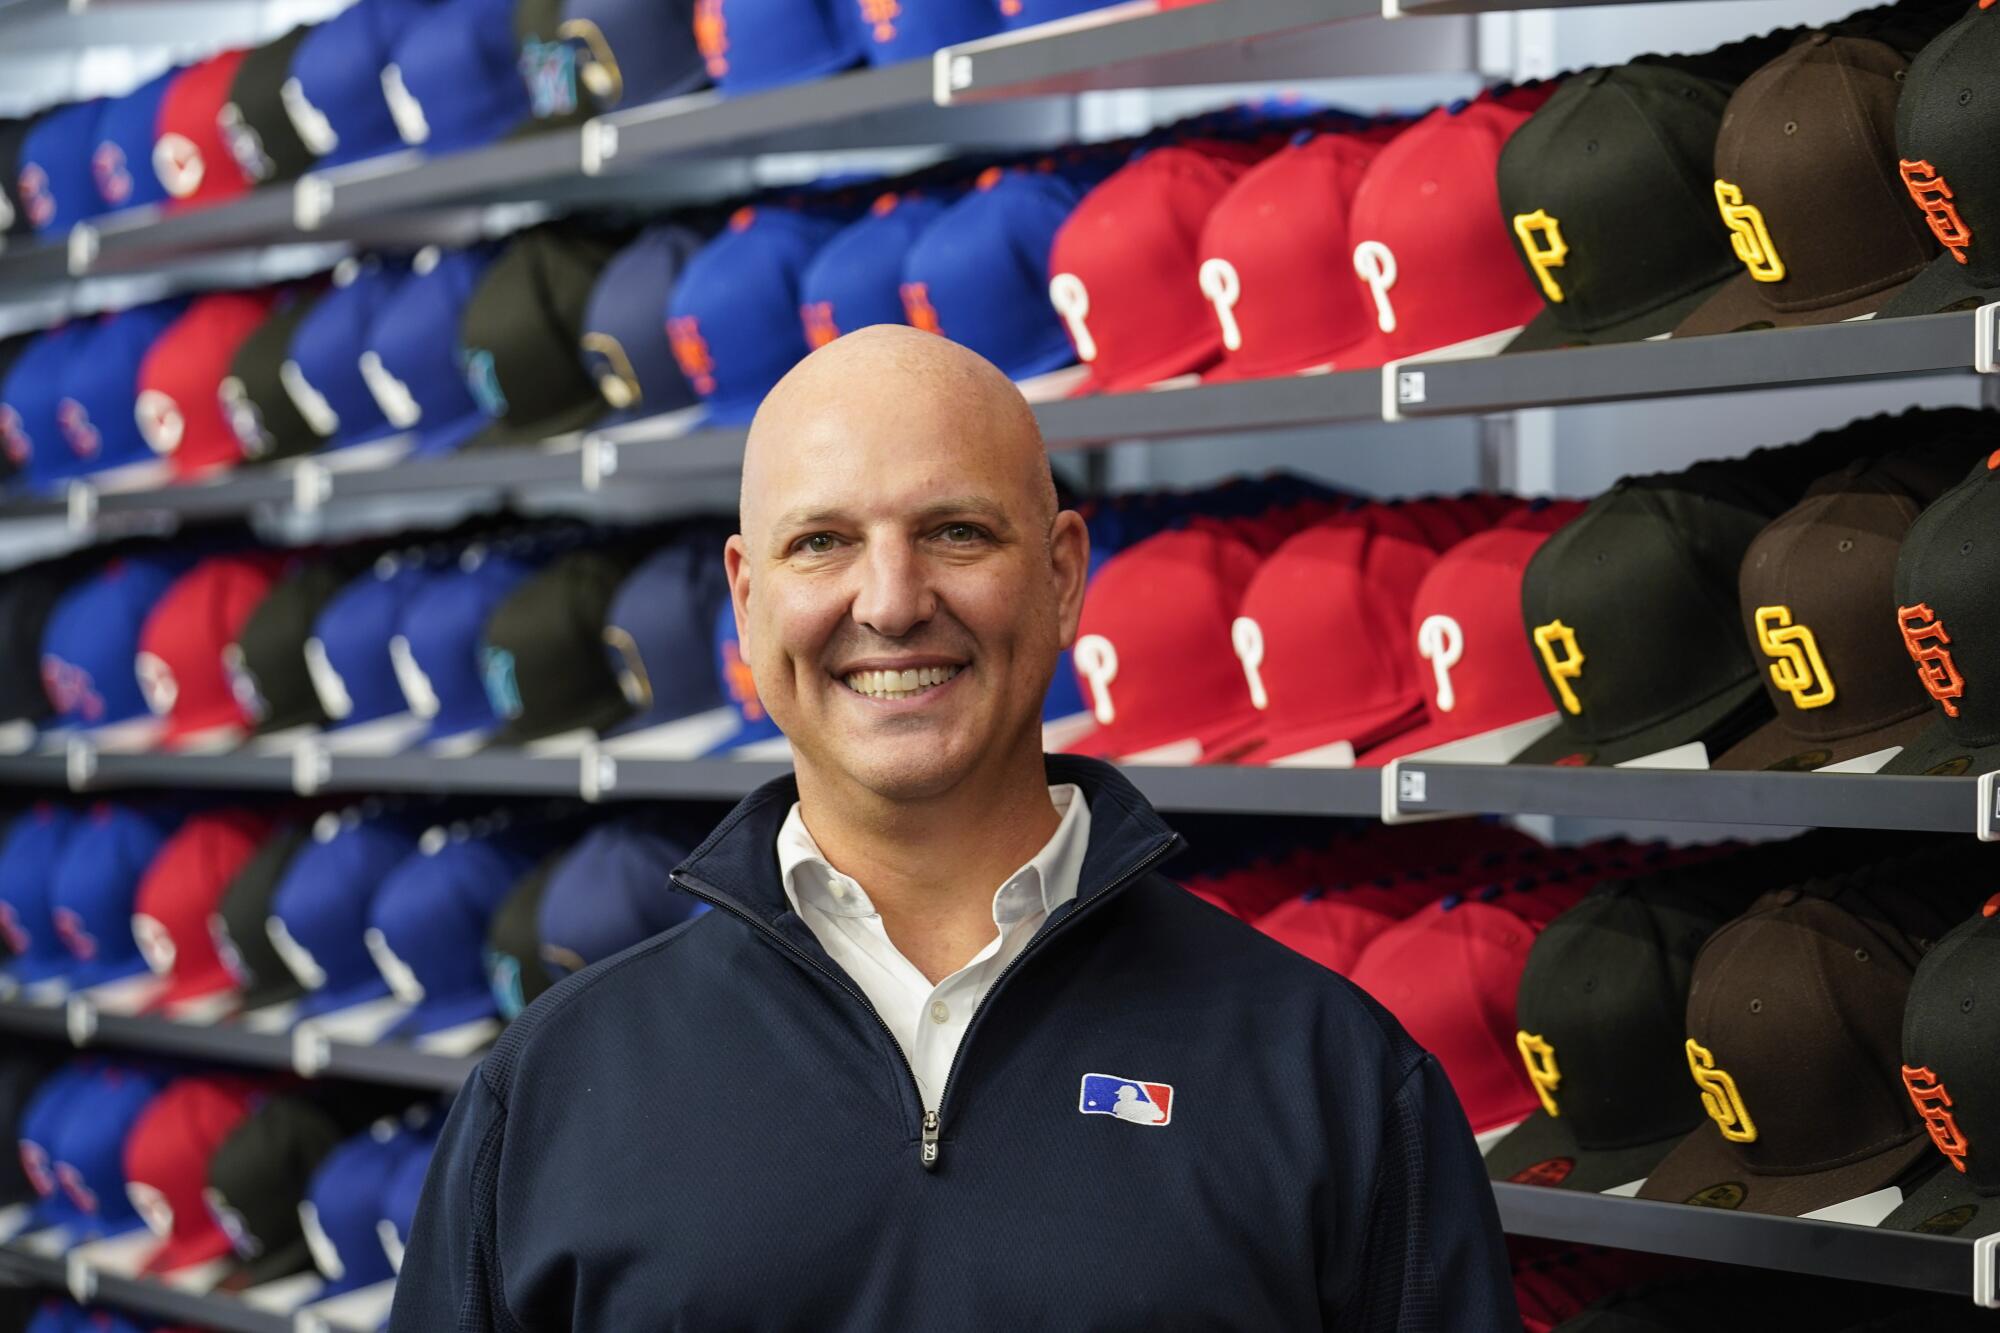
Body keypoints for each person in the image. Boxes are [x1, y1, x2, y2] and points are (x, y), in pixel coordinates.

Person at [389, 325, 1517, 1331]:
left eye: (956, 532)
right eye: (820, 542)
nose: (888, 601)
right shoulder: (548, 1091)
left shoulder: (1330, 1074)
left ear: (1064, 576)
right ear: (746, 601)